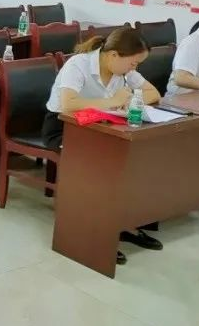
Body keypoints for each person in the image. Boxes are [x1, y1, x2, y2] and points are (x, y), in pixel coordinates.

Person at [42, 27, 163, 264]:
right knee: (101, 166)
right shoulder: (78, 64)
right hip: (65, 128)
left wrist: (132, 100)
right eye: (133, 63)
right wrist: (112, 101)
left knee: (139, 158)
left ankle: (125, 224)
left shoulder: (124, 70)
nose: (134, 68)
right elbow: (68, 104)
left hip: (104, 127)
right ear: (114, 55)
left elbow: (153, 92)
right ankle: (92, 232)